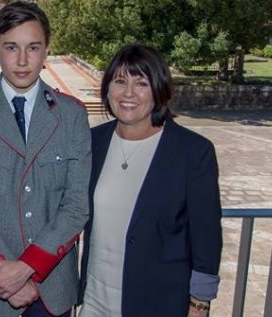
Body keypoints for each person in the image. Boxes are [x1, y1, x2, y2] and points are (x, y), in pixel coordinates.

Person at [0, 1, 91, 317]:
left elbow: (77, 204)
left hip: (52, 289)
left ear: (47, 50)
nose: (23, 60)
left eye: (33, 47)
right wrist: (8, 276)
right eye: (12, 47)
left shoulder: (71, 116)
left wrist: (28, 266)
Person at [77, 44, 222, 317]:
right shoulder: (93, 142)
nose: (129, 93)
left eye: (141, 83)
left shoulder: (192, 152)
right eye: (120, 81)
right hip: (95, 301)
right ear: (107, 88)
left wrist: (199, 305)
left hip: (159, 303)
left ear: (159, 90)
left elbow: (206, 237)